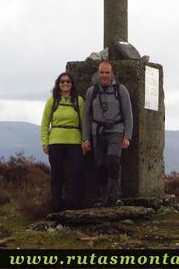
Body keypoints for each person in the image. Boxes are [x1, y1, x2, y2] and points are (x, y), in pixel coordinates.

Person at [82, 61, 133, 207]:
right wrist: (85, 138)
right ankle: (104, 197)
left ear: (112, 73)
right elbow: (86, 116)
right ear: (98, 74)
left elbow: (128, 115)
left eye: (107, 73)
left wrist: (127, 136)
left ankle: (116, 196)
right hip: (97, 133)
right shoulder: (91, 92)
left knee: (113, 162)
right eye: (101, 73)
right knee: (101, 166)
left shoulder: (121, 90)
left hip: (116, 131)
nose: (104, 75)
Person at [41, 72, 85, 213]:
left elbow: (84, 122)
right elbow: (44, 123)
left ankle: (76, 205)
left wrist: (85, 141)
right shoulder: (52, 100)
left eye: (68, 82)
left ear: (72, 84)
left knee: (76, 174)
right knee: (57, 175)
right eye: (62, 82)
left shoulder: (79, 101)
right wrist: (45, 142)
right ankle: (56, 207)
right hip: (55, 142)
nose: (65, 84)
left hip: (75, 141)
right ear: (58, 85)